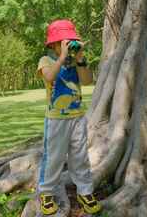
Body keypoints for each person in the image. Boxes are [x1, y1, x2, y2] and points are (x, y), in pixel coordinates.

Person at [36, 19, 102, 215]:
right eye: (63, 42)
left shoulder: (74, 62)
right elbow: (49, 77)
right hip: (56, 119)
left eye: (70, 41)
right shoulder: (46, 60)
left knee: (80, 157)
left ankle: (85, 191)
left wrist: (79, 57)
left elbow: (87, 80)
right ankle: (46, 192)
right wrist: (62, 56)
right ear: (54, 44)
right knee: (53, 158)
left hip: (77, 118)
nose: (67, 45)